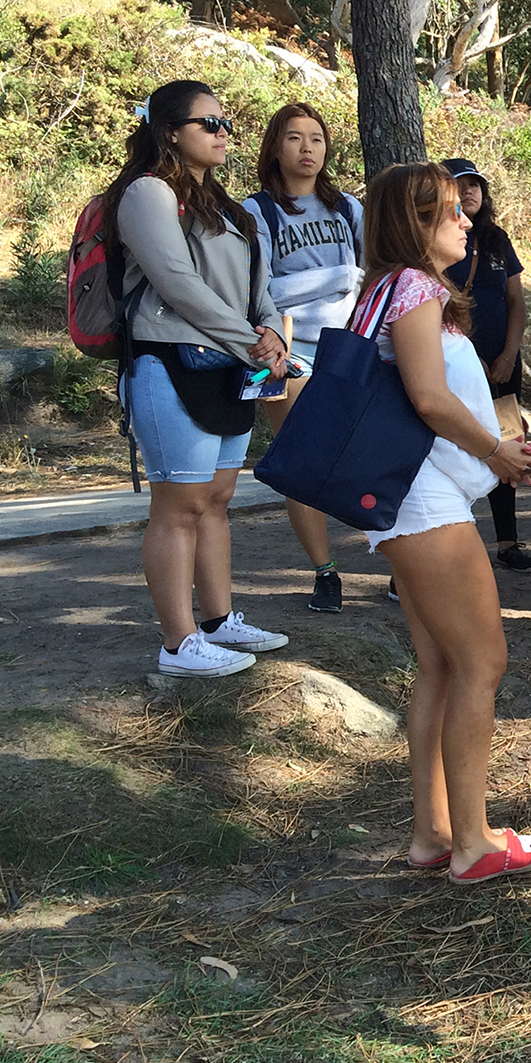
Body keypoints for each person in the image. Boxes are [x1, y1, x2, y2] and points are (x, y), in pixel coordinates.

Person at [356, 162, 531, 882]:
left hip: (411, 501)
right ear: (413, 224)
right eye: (447, 211)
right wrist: (498, 452)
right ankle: (472, 843)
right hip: (424, 504)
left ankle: (435, 834)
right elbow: (430, 400)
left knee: (440, 665)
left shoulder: (387, 290)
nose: (466, 220)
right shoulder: (410, 288)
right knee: (482, 661)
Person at [106, 79, 290, 677]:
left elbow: (258, 289)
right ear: (169, 132)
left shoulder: (231, 208)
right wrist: (251, 340)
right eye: (208, 123)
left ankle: (218, 621)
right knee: (179, 506)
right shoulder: (147, 194)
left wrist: (274, 336)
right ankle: (177, 643)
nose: (222, 133)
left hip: (232, 368)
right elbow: (177, 284)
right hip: (169, 364)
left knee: (217, 499)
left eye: (225, 122)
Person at [248, 102, 363, 613]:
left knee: (366, 451)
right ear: (276, 146)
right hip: (285, 346)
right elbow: (255, 289)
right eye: (295, 138)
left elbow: (373, 271)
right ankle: (325, 571)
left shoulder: (349, 208)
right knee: (301, 460)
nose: (307, 148)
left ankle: (402, 563)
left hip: (349, 345)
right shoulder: (255, 212)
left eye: (316, 138)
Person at [440, 160, 531, 576]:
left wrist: (508, 354)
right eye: (460, 185)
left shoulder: (497, 240)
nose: (470, 193)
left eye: (476, 185)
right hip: (456, 366)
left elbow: (516, 303)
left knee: (508, 445)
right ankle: (443, 540)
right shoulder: (439, 241)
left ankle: (507, 541)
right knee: (454, 448)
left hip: (502, 366)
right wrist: (470, 355)